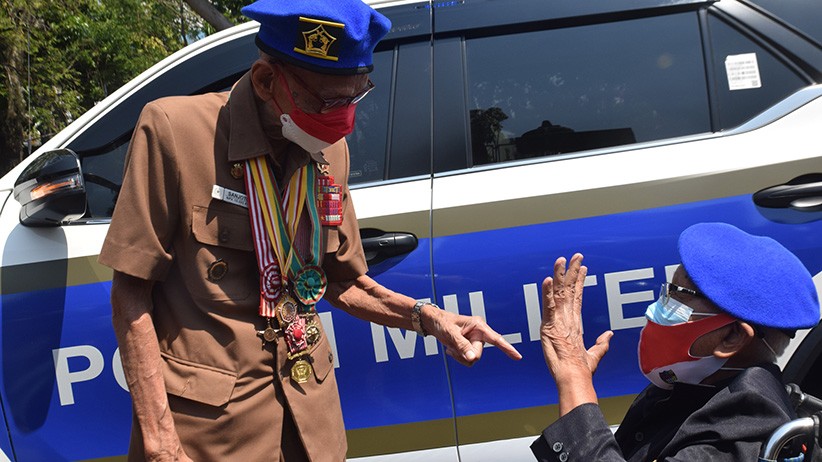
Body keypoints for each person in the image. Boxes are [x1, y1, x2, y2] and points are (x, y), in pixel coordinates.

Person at [98, 0, 522, 460]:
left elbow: (342, 282)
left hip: (311, 423)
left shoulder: (328, 151)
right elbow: (131, 292)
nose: (343, 120)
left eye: (354, 98)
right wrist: (160, 441)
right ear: (265, 81)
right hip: (210, 436)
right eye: (327, 102)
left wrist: (429, 318)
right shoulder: (173, 132)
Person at [531, 222, 820, 461]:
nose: (656, 310)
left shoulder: (743, 432)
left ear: (731, 337)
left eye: (678, 298)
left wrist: (573, 379)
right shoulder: (691, 388)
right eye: (665, 293)